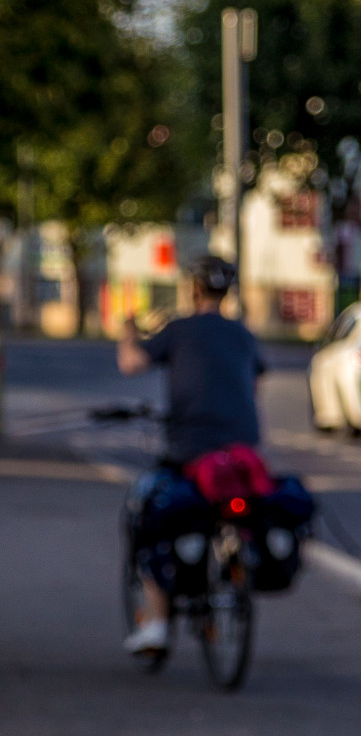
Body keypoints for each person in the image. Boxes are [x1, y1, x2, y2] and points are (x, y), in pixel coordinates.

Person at [116, 254, 264, 656]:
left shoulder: (179, 330)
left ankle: (158, 625)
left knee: (147, 515)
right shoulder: (243, 335)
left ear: (194, 288)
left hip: (190, 451)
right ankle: (233, 567)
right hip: (240, 453)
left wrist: (127, 332)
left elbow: (131, 363)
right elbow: (253, 390)